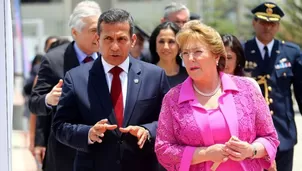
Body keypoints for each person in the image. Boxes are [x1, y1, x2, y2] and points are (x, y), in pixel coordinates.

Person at [52, 8, 169, 171]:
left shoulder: (154, 76)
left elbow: (168, 121)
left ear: (133, 40)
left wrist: (147, 130)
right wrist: (88, 133)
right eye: (108, 39)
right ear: (98, 39)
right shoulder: (76, 78)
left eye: (121, 39)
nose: (115, 46)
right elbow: (60, 126)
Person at [155, 20, 279, 171]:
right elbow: (163, 149)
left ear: (216, 56)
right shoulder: (173, 98)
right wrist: (205, 153)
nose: (190, 58)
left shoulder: (247, 89)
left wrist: (250, 150)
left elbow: (270, 138)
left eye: (197, 52)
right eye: (185, 53)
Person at [28, 1, 101, 170]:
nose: (99, 35)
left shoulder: (109, 58)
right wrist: (48, 99)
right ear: (75, 32)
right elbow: (34, 103)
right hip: (66, 155)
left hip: (102, 152)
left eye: (100, 30)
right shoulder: (54, 60)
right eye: (93, 31)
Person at [244, 2, 302, 171]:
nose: (267, 27)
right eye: (263, 22)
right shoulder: (242, 50)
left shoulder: (291, 52)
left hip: (282, 132)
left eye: (272, 23)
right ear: (254, 23)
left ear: (278, 26)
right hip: (250, 134)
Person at [149, 21, 187, 87]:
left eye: (171, 42)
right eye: (161, 42)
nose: (166, 47)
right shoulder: (145, 76)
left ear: (179, 45)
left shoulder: (189, 76)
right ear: (155, 45)